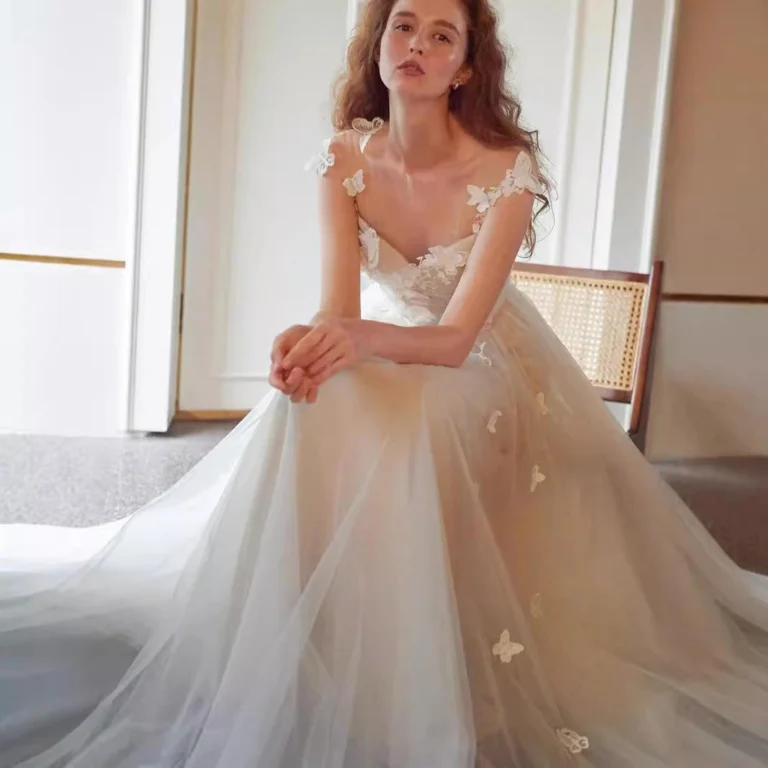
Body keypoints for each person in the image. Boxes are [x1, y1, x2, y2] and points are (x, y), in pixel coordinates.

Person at [1, 0, 767, 765]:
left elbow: (457, 340)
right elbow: (337, 308)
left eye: (442, 36)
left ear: (466, 66)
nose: (417, 46)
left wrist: (353, 337)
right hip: (384, 338)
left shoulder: (507, 172)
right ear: (378, 45)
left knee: (417, 420)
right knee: (312, 398)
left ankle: (410, 665)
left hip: (484, 362)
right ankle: (324, 642)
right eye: (403, 26)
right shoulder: (343, 157)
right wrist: (303, 346)